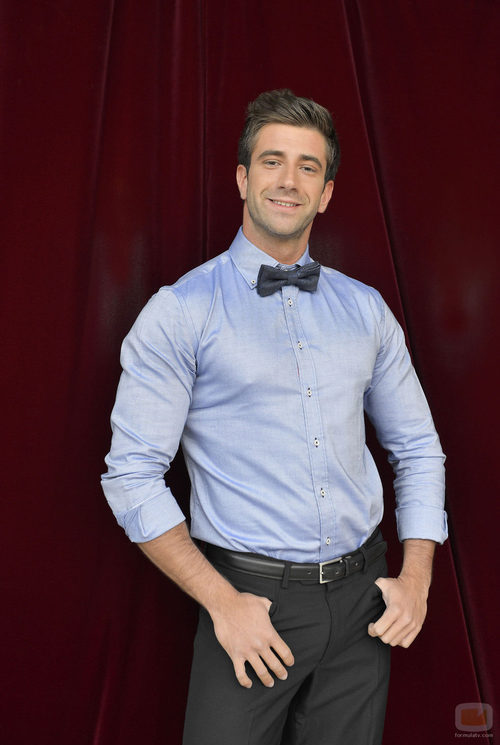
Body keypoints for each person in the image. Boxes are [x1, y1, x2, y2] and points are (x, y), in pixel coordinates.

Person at [102, 89, 447, 745]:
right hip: (250, 603)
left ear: (326, 193)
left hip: (364, 607)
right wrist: (223, 602)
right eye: (272, 161)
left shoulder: (366, 310)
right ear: (242, 178)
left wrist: (417, 579)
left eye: (307, 167)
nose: (289, 180)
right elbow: (131, 477)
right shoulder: (181, 311)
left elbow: (418, 448)